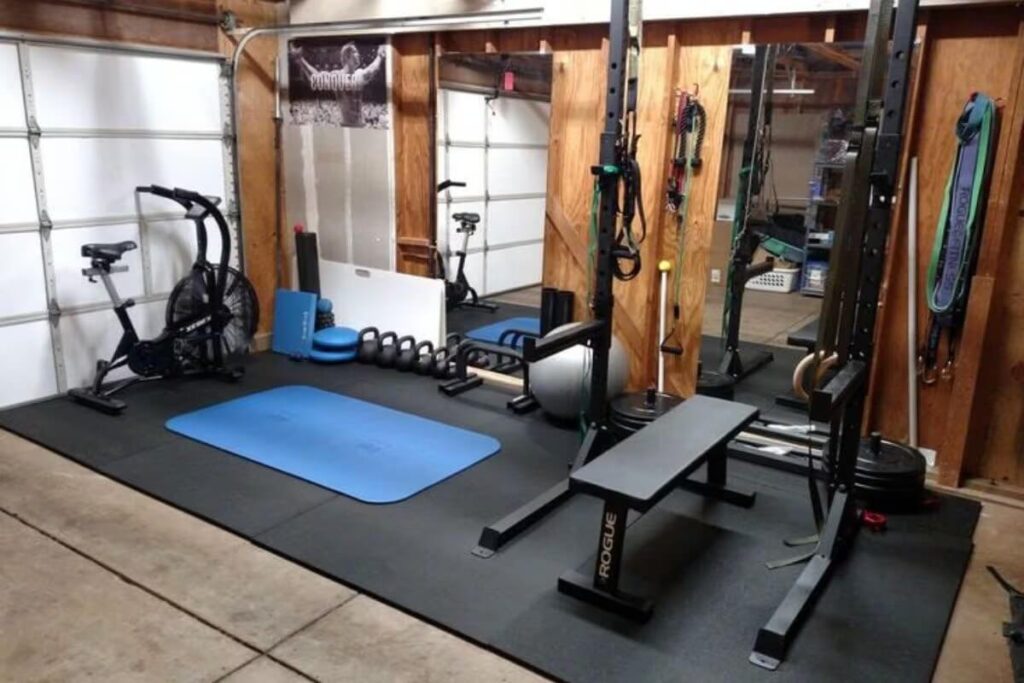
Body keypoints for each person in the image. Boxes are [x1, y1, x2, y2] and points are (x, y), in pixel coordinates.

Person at [290, 42, 387, 127]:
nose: (359, 55)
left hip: (361, 125)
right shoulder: (338, 77)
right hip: (347, 126)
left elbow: (372, 70)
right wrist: (300, 60)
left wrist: (380, 55)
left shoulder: (359, 74)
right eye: (356, 52)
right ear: (347, 56)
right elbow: (316, 78)